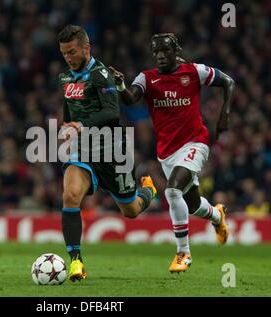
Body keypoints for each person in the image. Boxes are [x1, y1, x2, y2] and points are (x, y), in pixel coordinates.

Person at [109, 33, 235, 273]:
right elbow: (131, 98)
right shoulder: (147, 78)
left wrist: (224, 113)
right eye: (155, 52)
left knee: (172, 189)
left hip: (195, 143)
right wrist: (120, 84)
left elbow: (228, 81)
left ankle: (183, 253)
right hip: (167, 152)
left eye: (164, 51)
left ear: (175, 51)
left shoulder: (194, 72)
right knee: (193, 204)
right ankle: (217, 216)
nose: (159, 56)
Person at [57, 25, 157, 282]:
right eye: (64, 53)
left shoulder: (101, 74)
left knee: (131, 211)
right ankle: (76, 261)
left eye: (72, 52)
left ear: (86, 48)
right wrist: (68, 128)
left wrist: (81, 125)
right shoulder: (65, 78)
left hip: (113, 152)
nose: (68, 58)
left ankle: (148, 190)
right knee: (70, 195)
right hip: (82, 151)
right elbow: (70, 109)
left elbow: (111, 112)